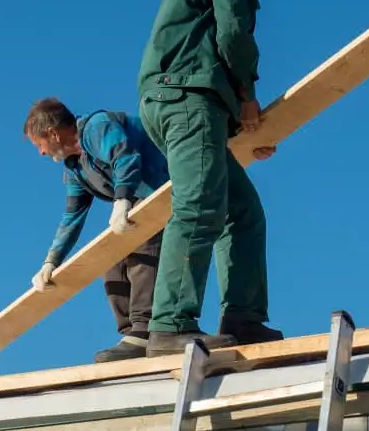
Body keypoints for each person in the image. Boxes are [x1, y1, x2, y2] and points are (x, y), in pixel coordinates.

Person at [135, 0, 284, 358]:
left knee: (242, 209)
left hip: (176, 103)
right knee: (199, 208)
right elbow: (234, 33)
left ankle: (243, 318)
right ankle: (171, 325)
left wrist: (237, 126)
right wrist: (247, 96)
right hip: (188, 99)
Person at [23, 97, 233, 363]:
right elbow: (72, 215)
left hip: (170, 185)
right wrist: (51, 260)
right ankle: (132, 333)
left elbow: (125, 157)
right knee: (110, 256)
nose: (41, 152)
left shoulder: (96, 127)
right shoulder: (75, 168)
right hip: (138, 199)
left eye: (38, 144)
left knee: (142, 245)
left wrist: (122, 199)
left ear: (52, 133)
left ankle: (145, 327)